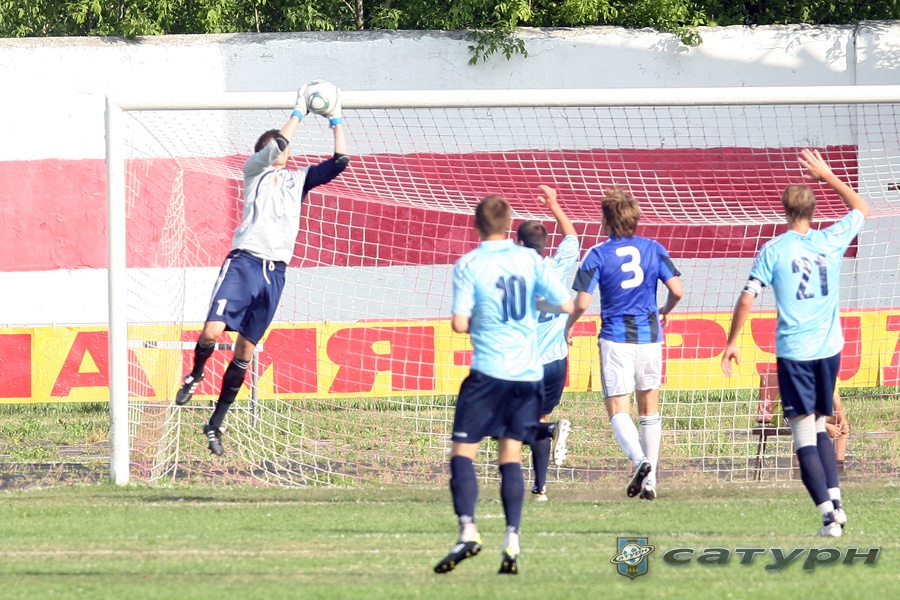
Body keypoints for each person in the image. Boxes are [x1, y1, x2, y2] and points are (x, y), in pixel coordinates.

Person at [174, 83, 350, 456]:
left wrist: (335, 117)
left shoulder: (298, 180)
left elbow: (340, 162)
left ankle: (215, 423)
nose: (283, 149)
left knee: (245, 351)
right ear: (263, 152)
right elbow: (280, 143)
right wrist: (299, 111)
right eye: (275, 146)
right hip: (245, 262)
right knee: (211, 331)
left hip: (275, 272)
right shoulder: (254, 171)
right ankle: (195, 373)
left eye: (284, 147)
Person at [721, 148, 869, 538]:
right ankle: (837, 504)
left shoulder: (774, 250)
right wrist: (829, 175)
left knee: (803, 435)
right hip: (830, 350)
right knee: (819, 425)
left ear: (785, 211)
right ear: (813, 211)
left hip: (796, 355)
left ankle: (828, 518)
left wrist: (732, 341)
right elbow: (861, 208)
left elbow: (747, 298)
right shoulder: (831, 239)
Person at [433, 194, 574, 576]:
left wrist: (484, 318)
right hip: (527, 376)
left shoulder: (470, 263)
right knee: (510, 457)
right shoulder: (530, 260)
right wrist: (530, 311)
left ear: (477, 225)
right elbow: (565, 304)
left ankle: (468, 531)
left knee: (463, 454)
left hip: (489, 373)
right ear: (509, 224)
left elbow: (459, 323)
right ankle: (512, 539)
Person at [564, 188, 683, 501]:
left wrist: (568, 325)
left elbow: (582, 303)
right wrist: (665, 309)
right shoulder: (654, 248)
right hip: (650, 337)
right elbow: (677, 290)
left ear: (606, 221)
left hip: (616, 338)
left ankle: (639, 461)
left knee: (618, 409)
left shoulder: (597, 254)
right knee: (649, 409)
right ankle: (651, 481)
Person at [515, 185, 579, 502]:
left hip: (529, 364)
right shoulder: (556, 267)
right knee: (535, 420)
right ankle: (540, 489)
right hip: (557, 362)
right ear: (543, 246)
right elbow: (572, 239)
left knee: (504, 424)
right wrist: (554, 204)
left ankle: (552, 429)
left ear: (518, 244)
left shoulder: (515, 277)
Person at [827, 388, 850, 466]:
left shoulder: (832, 382)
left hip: (817, 417)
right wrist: (826, 426)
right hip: (798, 417)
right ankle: (798, 469)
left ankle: (838, 467)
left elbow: (838, 406)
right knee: (804, 431)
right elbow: (802, 414)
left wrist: (843, 421)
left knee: (842, 429)